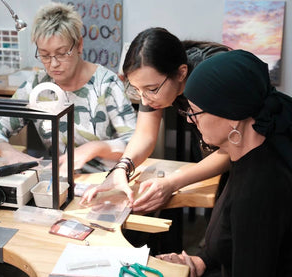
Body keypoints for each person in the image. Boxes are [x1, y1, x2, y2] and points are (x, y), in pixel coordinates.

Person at [156, 50, 292, 276]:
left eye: (195, 112)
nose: (190, 119)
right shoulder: (246, 157)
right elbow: (231, 245)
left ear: (232, 117)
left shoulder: (259, 190)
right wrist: (200, 263)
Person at [80, 27, 231, 212]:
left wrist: (172, 182)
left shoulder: (210, 76)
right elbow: (145, 134)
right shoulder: (157, 80)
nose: (144, 100)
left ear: (181, 73)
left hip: (254, 154)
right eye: (137, 89)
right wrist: (121, 169)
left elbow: (231, 149)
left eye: (151, 89)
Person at [0, 2, 136, 174]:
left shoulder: (106, 84)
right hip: (59, 182)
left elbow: (135, 142)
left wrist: (95, 147)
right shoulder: (37, 86)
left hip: (105, 180)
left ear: (79, 45)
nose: (53, 64)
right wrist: (9, 153)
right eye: (45, 55)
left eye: (62, 53)